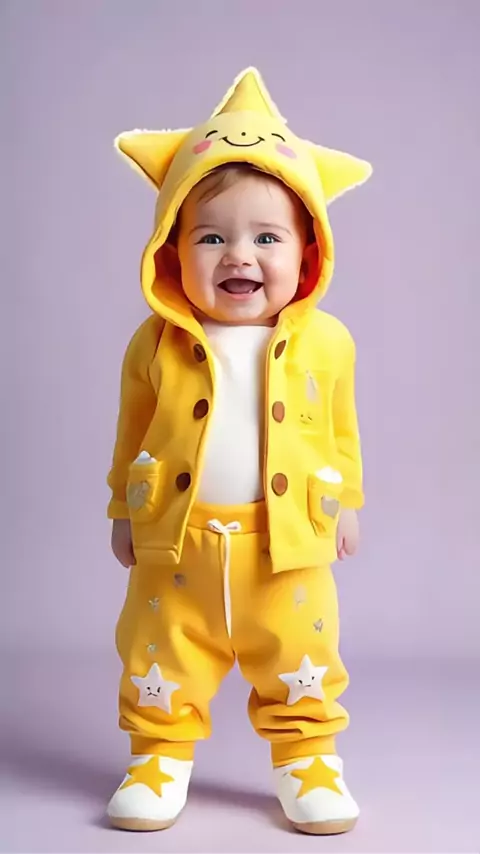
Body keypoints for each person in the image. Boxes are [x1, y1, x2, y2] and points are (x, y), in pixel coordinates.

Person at [106, 67, 372, 835]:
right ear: (171, 248)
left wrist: (347, 502)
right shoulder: (156, 344)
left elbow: (341, 431)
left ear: (308, 248)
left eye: (266, 237)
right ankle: (159, 754)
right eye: (211, 237)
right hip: (177, 544)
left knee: (300, 653)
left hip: (284, 548)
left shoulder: (327, 342)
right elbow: (133, 431)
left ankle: (307, 758)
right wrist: (122, 510)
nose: (238, 257)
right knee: (160, 651)